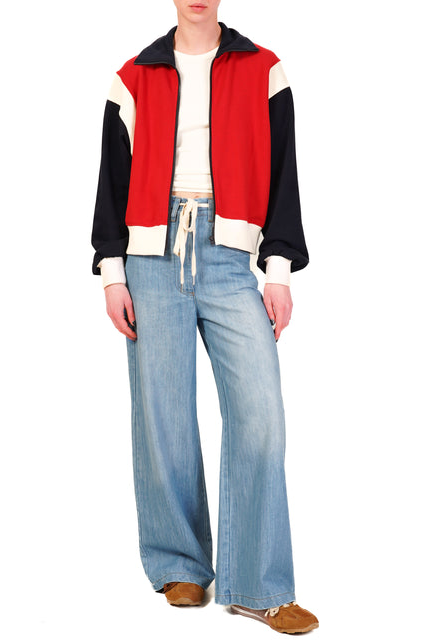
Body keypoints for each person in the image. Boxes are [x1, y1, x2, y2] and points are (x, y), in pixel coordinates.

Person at [90, 0, 318, 634]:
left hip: (229, 255)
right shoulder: (134, 76)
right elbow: (111, 181)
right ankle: (179, 565)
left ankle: (257, 585)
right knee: (162, 414)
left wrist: (278, 270)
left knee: (260, 414)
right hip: (150, 254)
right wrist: (112, 272)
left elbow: (284, 176)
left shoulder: (264, 69)